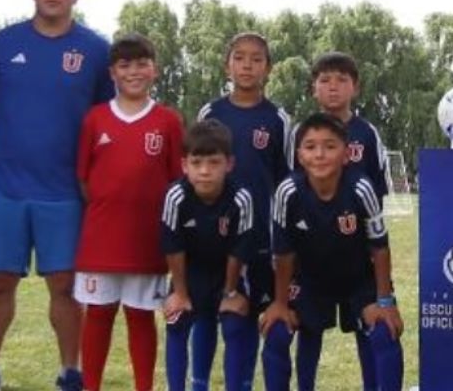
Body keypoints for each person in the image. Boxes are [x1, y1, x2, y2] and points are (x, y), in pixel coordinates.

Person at [0, 0, 114, 391]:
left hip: (65, 192)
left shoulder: (95, 50)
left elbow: (104, 116)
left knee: (65, 287)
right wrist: (17, 136)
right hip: (7, 188)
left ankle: (71, 373)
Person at [260, 113, 404, 391]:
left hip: (359, 278)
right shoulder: (287, 192)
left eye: (329, 146)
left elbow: (379, 247)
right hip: (308, 280)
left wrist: (385, 302)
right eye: (311, 147)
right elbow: (283, 253)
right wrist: (279, 303)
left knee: (385, 332)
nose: (320, 154)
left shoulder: (362, 188)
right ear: (299, 156)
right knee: (277, 333)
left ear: (346, 154)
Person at [73, 33, 184, 391]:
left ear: (154, 70)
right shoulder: (95, 118)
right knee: (98, 316)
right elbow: (84, 180)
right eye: (125, 65)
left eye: (141, 64)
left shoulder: (168, 121)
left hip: (147, 242)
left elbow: (175, 181)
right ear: (112, 73)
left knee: (140, 318)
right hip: (101, 241)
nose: (133, 71)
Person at [196, 32, 290, 384]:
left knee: (254, 322)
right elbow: (197, 170)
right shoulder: (211, 112)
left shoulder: (279, 119)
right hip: (216, 237)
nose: (247, 65)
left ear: (268, 68)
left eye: (256, 59)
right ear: (227, 64)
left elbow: (286, 185)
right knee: (213, 318)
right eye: (239, 57)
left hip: (261, 242)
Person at [300, 50, 389, 389]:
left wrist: (369, 243)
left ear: (356, 87)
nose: (333, 87)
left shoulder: (367, 134)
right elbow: (292, 190)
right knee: (309, 331)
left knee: (370, 329)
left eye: (341, 80)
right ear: (313, 89)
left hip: (357, 254)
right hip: (313, 252)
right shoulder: (303, 132)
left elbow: (376, 193)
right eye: (325, 80)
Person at [161, 119, 255, 391]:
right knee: (177, 318)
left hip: (229, 272)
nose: (204, 171)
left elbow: (240, 249)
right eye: (197, 162)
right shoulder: (175, 196)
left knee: (235, 323)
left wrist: (229, 294)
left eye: (214, 163)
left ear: (229, 164)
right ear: (184, 165)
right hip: (189, 273)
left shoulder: (241, 197)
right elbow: (172, 246)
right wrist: (179, 293)